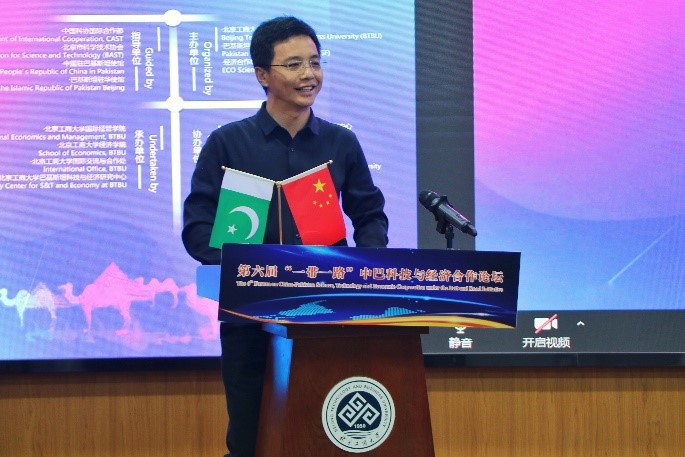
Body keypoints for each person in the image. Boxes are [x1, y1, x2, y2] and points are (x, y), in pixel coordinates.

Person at [182, 16, 388, 457]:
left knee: (326, 436)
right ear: (263, 75)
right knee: (251, 440)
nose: (309, 74)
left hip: (327, 316)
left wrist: (364, 270)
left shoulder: (340, 144)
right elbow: (198, 229)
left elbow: (369, 215)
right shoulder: (227, 144)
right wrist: (249, 267)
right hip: (250, 320)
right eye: (294, 64)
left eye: (315, 62)